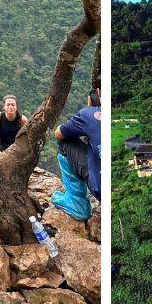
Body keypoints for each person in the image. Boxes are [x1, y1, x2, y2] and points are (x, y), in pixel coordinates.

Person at [51, 88, 101, 221]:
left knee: (65, 141)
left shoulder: (90, 113)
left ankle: (76, 200)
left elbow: (58, 133)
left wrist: (88, 114)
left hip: (100, 188)